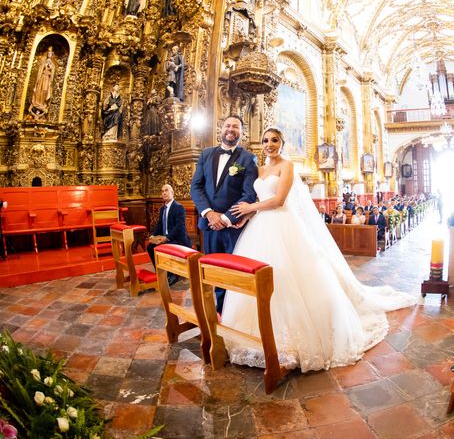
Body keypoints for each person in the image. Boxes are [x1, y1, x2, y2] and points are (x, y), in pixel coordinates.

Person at [220, 127, 416, 371]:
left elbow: (279, 200)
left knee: (290, 277)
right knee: (259, 277)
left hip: (284, 224)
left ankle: (294, 339)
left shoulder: (286, 166)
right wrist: (246, 215)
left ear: (282, 143)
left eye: (275, 140)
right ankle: (251, 335)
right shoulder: (259, 170)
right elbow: (254, 197)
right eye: (266, 140)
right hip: (260, 227)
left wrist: (250, 208)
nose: (270, 144)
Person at [190, 115, 258, 313]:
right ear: (221, 129)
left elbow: (249, 194)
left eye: (236, 127)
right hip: (209, 225)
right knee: (213, 271)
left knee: (233, 272)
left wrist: (226, 218)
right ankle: (219, 313)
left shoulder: (247, 159)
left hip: (233, 227)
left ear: (241, 132)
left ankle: (231, 314)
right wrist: (209, 213)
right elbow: (196, 187)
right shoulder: (206, 154)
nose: (231, 129)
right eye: (228, 125)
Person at [147, 184, 191, 285]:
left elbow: (179, 227)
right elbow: (159, 225)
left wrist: (167, 238)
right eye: (162, 191)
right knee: (150, 247)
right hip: (166, 238)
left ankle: (171, 275)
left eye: (166, 190)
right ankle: (161, 272)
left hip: (178, 239)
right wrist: (153, 235)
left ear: (172, 192)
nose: (164, 193)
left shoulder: (179, 207)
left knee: (163, 248)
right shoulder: (163, 209)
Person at [29, 47, 56, 116]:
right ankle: (37, 102)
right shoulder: (44, 63)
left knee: (45, 91)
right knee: (39, 90)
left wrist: (50, 75)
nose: (49, 55)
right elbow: (40, 71)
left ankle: (42, 103)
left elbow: (52, 73)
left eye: (51, 53)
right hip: (42, 78)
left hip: (47, 80)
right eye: (48, 53)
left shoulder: (52, 64)